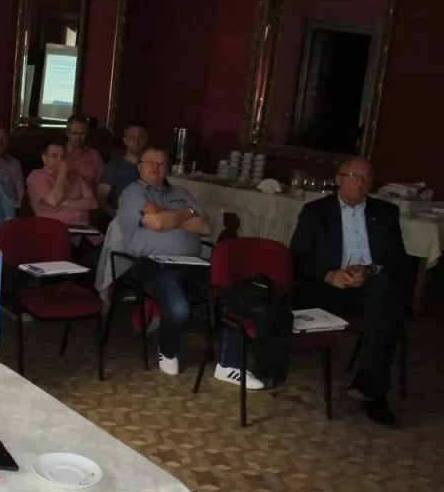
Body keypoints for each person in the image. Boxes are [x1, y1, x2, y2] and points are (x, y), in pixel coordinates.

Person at [118, 148, 265, 388]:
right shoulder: (133, 193)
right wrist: (186, 215)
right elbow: (157, 222)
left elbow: (205, 227)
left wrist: (171, 215)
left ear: (167, 168)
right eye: (150, 162)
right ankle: (167, 349)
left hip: (193, 263)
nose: (156, 166)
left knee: (233, 294)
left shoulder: (181, 192)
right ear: (140, 167)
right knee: (179, 309)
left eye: (161, 162)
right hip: (154, 263)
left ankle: (229, 365)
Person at [289, 157, 406, 426]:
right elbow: (297, 259)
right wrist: (330, 274)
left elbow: (398, 261)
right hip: (327, 289)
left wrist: (369, 270)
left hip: (370, 288)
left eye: (366, 177)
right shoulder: (316, 212)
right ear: (339, 180)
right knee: (384, 308)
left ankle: (373, 391)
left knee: (384, 298)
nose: (360, 182)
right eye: (354, 175)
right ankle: (371, 387)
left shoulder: (386, 213)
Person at [27, 141, 98, 226]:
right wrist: (62, 174)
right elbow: (53, 201)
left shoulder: (76, 177)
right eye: (54, 156)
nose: (60, 160)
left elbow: (93, 203)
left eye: (63, 156)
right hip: (52, 227)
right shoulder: (37, 176)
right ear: (45, 158)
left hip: (83, 227)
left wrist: (65, 202)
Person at [100, 124, 148, 215]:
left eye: (140, 137)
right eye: (132, 137)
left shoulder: (151, 167)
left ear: (146, 140)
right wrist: (114, 214)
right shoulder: (113, 166)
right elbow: (101, 196)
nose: (136, 141)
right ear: (125, 140)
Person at [65, 115, 105, 204]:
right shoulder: (59, 154)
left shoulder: (94, 155)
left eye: (82, 134)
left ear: (86, 134)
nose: (78, 138)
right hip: (66, 203)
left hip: (89, 203)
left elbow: (100, 186)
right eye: (74, 134)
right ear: (67, 133)